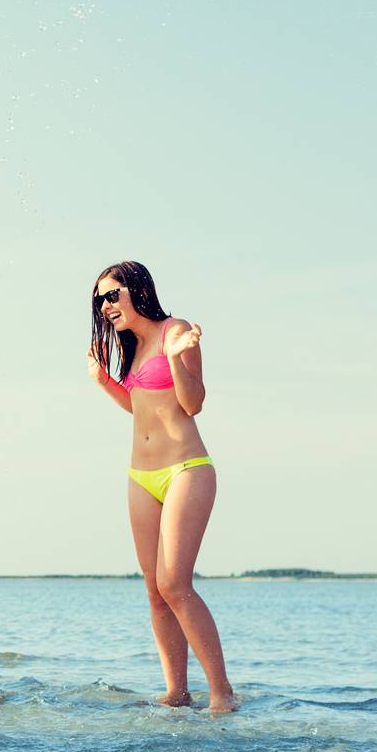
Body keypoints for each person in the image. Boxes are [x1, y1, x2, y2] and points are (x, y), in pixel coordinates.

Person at [88, 261, 238, 712]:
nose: (107, 306)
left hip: (185, 469)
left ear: (137, 290)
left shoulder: (177, 331)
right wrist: (104, 382)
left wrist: (176, 358)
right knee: (154, 587)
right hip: (140, 475)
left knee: (175, 583)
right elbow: (142, 410)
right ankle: (177, 691)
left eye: (113, 295)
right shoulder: (128, 345)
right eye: (100, 300)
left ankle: (222, 693)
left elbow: (193, 403)